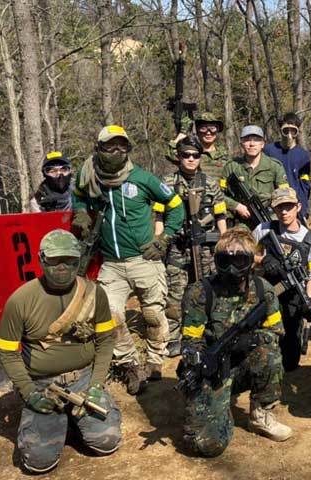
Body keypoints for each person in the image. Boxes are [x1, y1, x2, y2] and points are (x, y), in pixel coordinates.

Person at [71, 125, 185, 394]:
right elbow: (77, 196)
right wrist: (81, 213)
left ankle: (155, 360)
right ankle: (130, 364)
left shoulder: (142, 178)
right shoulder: (88, 176)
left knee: (153, 314)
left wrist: (164, 239)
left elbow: (176, 205)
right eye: (110, 146)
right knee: (110, 316)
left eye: (122, 146)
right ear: (99, 148)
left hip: (144, 260)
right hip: (110, 263)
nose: (116, 151)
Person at [0, 230, 121, 474]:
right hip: (43, 385)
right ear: (41, 260)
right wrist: (30, 393)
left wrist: (96, 386)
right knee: (38, 462)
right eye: (54, 260)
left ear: (79, 260)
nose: (62, 267)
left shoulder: (94, 293)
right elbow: (8, 353)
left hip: (84, 380)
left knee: (106, 442)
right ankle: (59, 420)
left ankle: (71, 420)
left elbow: (106, 340)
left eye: (70, 260)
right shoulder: (20, 300)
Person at [179, 228, 291, 457]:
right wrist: (201, 360)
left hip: (245, 364)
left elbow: (276, 332)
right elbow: (190, 341)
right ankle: (219, 407)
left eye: (239, 261)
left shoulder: (263, 290)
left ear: (250, 262)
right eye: (224, 261)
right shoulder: (200, 293)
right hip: (213, 369)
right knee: (205, 445)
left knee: (270, 355)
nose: (231, 268)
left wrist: (251, 340)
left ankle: (261, 414)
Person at [155, 135, 228, 358]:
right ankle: (173, 338)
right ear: (178, 157)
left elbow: (220, 215)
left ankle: (210, 332)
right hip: (177, 247)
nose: (190, 159)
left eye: (195, 155)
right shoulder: (167, 183)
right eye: (186, 155)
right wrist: (159, 242)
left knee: (208, 289)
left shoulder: (210, 183)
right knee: (176, 293)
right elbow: (159, 216)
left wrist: (223, 243)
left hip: (205, 249)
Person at [252, 187, 311, 370]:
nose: (284, 212)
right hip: (263, 293)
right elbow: (245, 255)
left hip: (292, 298)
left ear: (298, 207)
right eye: (279, 207)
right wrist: (262, 260)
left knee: (289, 362)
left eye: (288, 207)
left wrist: (309, 300)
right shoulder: (263, 230)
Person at [221, 125, 289, 227]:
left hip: (269, 217)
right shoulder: (231, 167)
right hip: (241, 220)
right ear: (241, 143)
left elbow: (284, 195)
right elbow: (219, 195)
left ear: (262, 144)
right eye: (247, 140)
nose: (252, 144)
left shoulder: (274, 166)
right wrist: (236, 206)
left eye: (256, 140)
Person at [264, 113, 311, 218]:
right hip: (272, 206)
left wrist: (302, 209)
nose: (289, 135)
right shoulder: (268, 150)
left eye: (293, 131)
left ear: (297, 131)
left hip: (293, 206)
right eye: (286, 130)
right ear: (281, 129)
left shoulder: (303, 155)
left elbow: (304, 186)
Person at [177, 112, 228, 181]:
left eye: (212, 128)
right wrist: (182, 134)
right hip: (196, 187)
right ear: (197, 131)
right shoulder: (190, 153)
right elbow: (171, 155)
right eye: (203, 128)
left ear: (217, 130)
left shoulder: (224, 154)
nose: (208, 133)